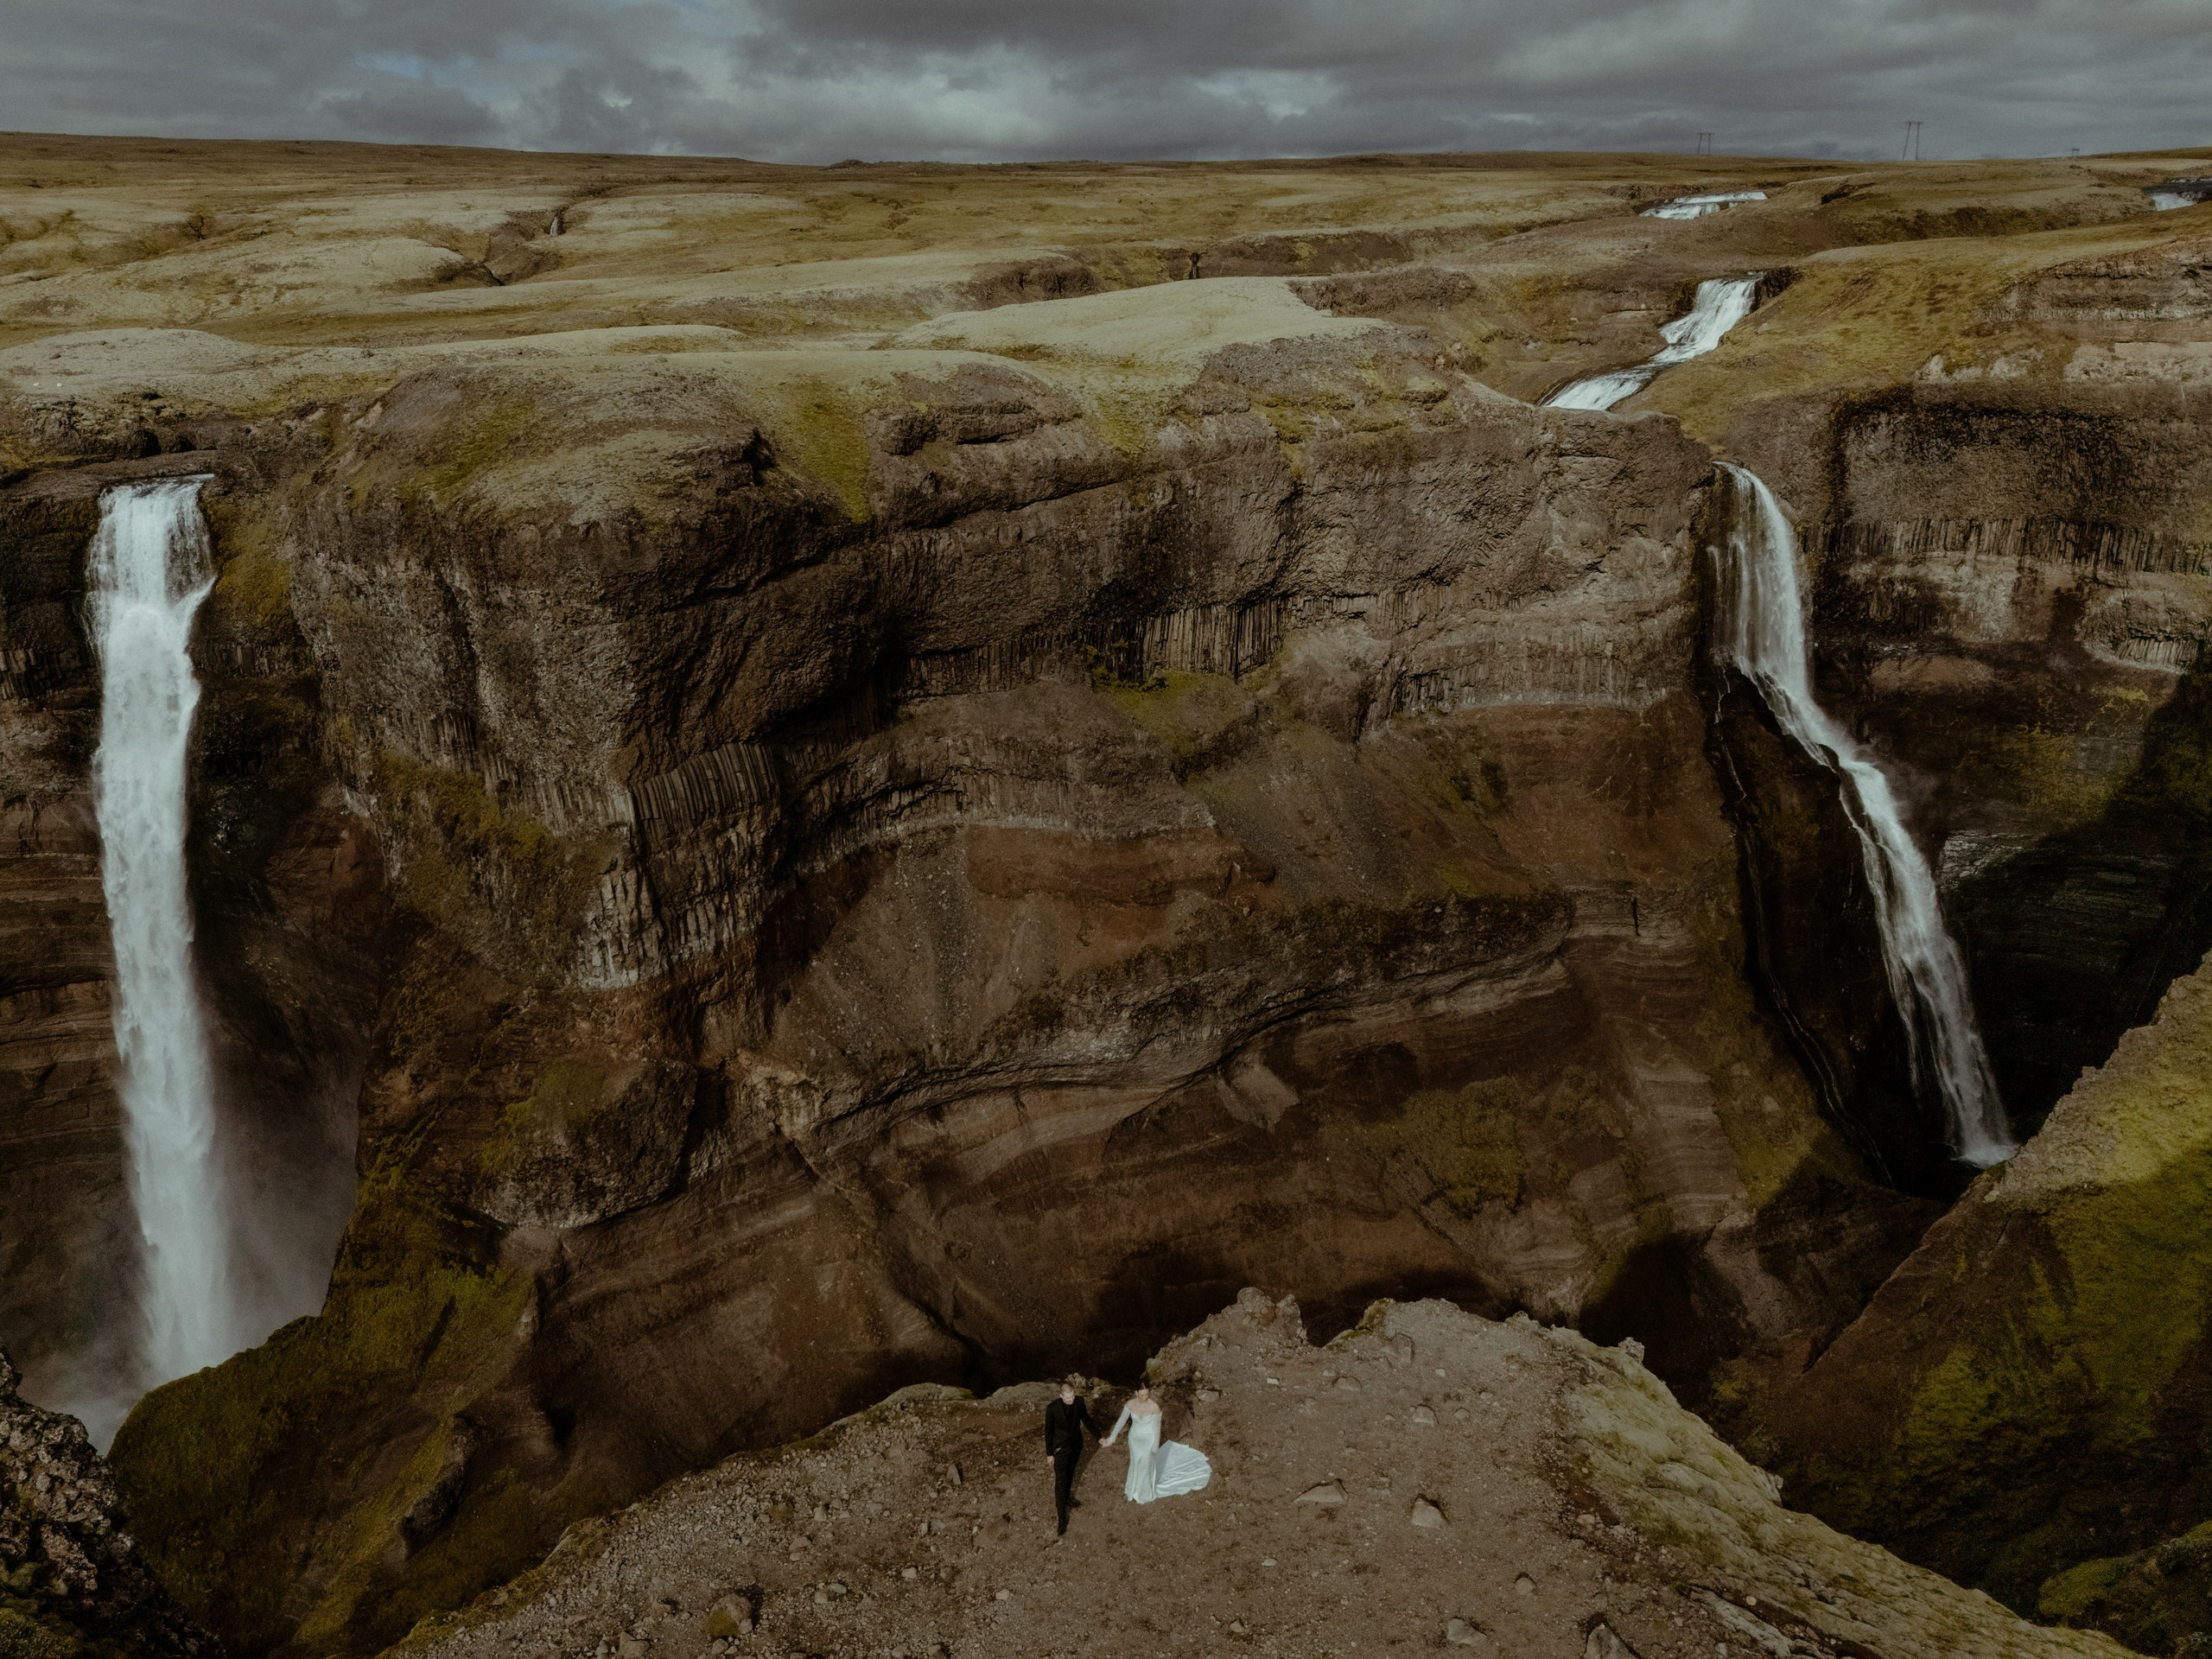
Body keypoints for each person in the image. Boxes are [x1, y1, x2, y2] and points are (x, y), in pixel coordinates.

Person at [1101, 1382, 1211, 1503]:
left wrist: (1155, 1448)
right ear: (1136, 1393)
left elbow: (1156, 1429)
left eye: (1147, 1394)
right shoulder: (1130, 1404)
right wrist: (1111, 1438)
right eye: (1142, 1395)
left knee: (1146, 1462)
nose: (1145, 1397)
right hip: (1134, 1438)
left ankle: (1143, 1491)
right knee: (1135, 1461)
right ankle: (1132, 1489)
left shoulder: (1154, 1407)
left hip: (1148, 1438)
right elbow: (1121, 1422)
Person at [1043, 1374, 1096, 1536]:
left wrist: (1099, 1437)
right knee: (1061, 1480)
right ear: (1061, 1396)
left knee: (1071, 1473)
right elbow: (1049, 1431)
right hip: (1060, 1449)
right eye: (1067, 1398)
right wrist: (1049, 1453)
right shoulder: (1052, 1408)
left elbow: (1086, 1419)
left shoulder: (1079, 1402)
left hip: (1075, 1446)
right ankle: (1061, 1517)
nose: (1071, 1400)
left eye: (1072, 1396)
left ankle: (1067, 1498)